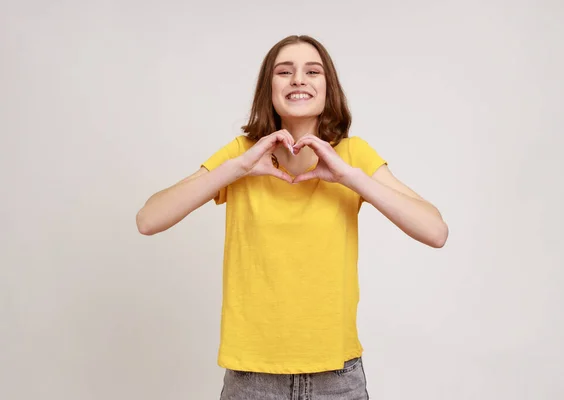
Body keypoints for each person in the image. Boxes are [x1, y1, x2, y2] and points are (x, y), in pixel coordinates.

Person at [136, 34, 448, 399]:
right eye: (285, 71)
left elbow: (435, 231)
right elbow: (148, 219)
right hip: (252, 379)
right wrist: (234, 170)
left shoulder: (353, 155)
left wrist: (351, 177)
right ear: (268, 89)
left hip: (337, 378)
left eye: (312, 71)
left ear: (327, 88)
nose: (298, 79)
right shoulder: (242, 156)